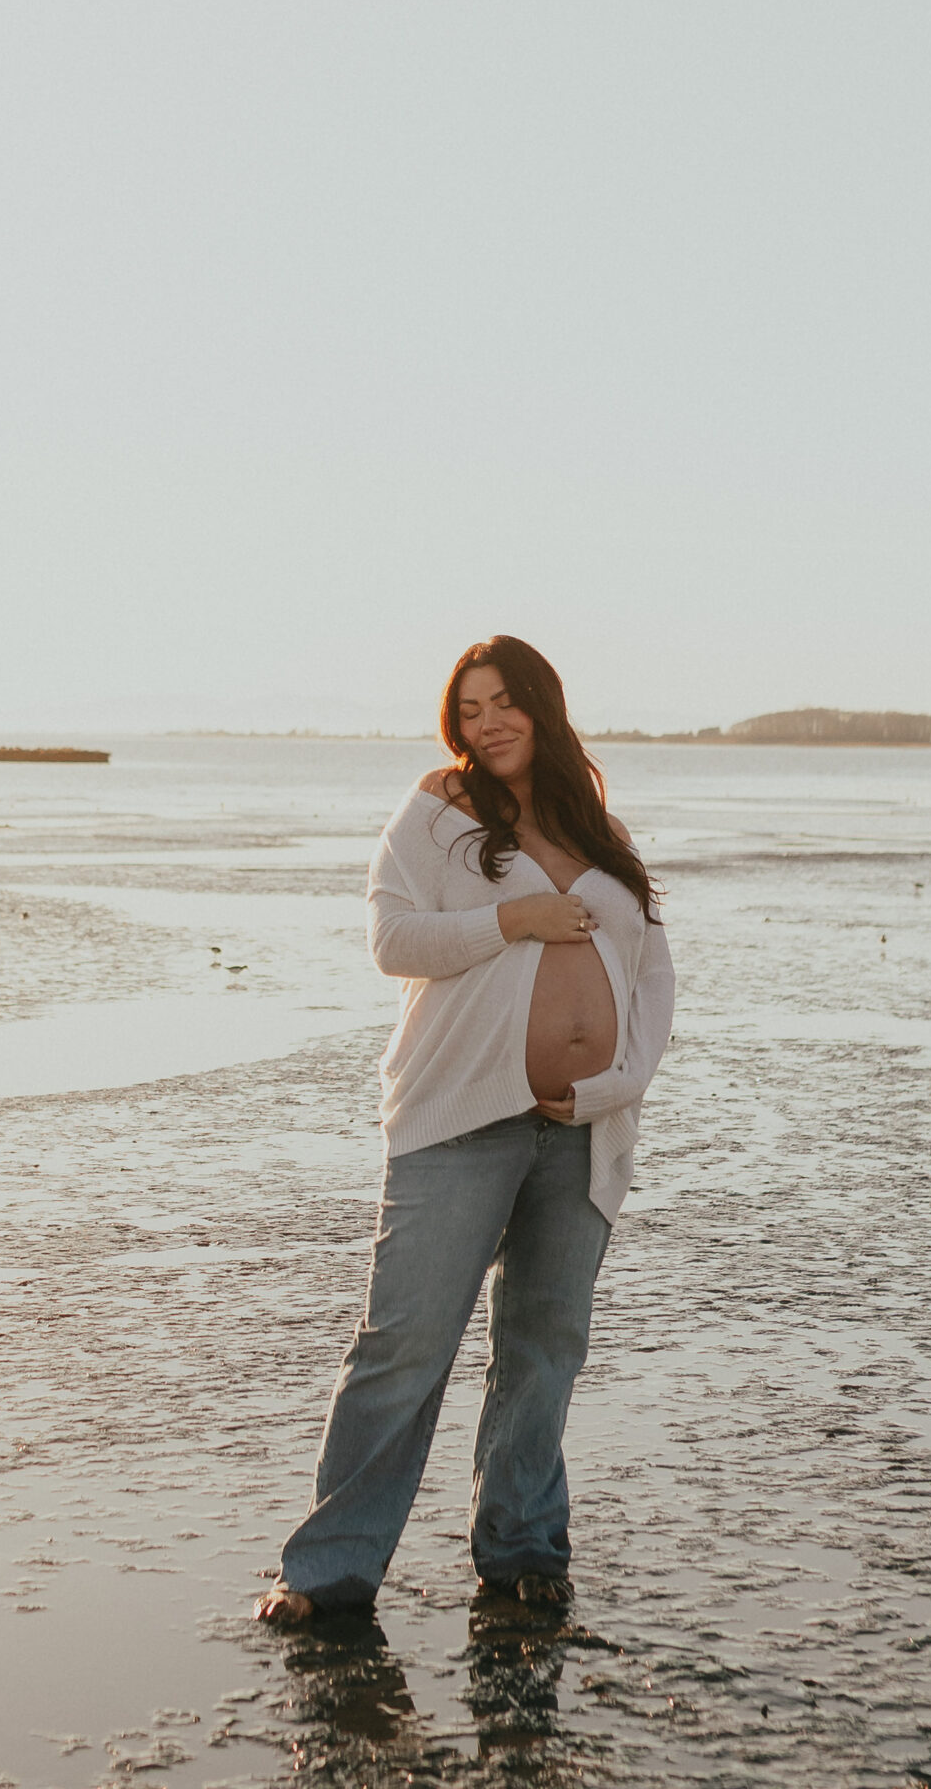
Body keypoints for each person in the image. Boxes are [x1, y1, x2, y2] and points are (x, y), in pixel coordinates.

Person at [256, 635, 675, 1624]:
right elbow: (392, 940)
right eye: (469, 707)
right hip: (457, 1121)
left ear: (541, 707)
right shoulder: (436, 814)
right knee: (403, 1346)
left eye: (503, 702)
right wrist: (513, 920)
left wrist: (617, 1084)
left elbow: (651, 976)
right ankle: (327, 1572)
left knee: (544, 1345)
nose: (485, 723)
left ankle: (523, 1552)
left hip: (580, 1129)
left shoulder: (597, 828)